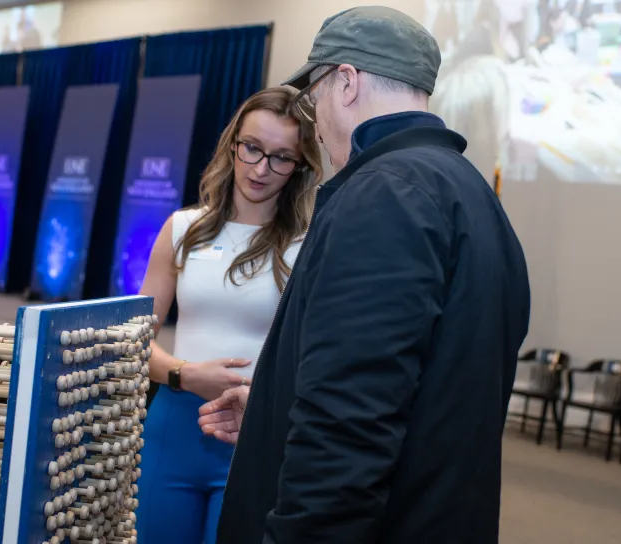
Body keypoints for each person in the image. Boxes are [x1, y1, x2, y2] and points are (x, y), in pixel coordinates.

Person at [198, 6, 531, 543]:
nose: (316, 124)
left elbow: (350, 427)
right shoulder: (470, 194)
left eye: (314, 100)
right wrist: (275, 412)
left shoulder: (384, 195)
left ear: (346, 83)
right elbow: (416, 382)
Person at [135, 86, 322, 544]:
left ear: (299, 166)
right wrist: (183, 374)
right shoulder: (183, 229)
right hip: (173, 430)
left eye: (281, 157)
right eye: (253, 148)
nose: (261, 169)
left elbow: (317, 358)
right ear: (233, 143)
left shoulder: (309, 246)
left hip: (255, 437)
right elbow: (134, 341)